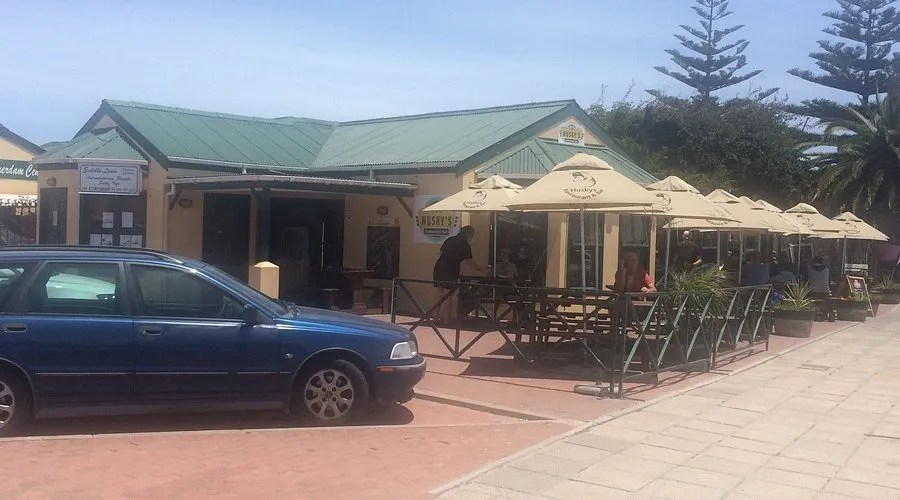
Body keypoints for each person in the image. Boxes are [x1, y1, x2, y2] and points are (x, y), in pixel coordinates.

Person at [431, 226, 489, 323]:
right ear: (469, 234)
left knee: (438, 294)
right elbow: (470, 262)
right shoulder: (465, 245)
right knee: (448, 296)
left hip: (438, 267)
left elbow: (441, 252)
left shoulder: (450, 239)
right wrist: (482, 270)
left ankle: (435, 318)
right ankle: (446, 320)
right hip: (451, 270)